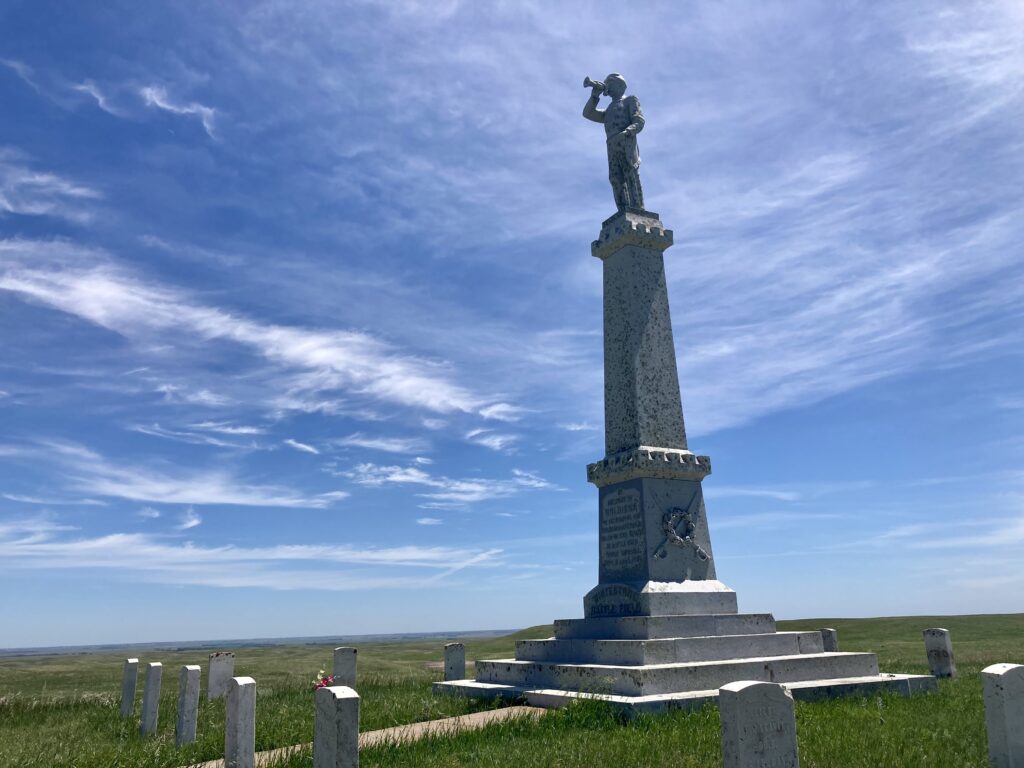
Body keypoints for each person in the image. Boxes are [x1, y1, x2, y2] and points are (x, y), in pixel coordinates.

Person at [582, 73, 645, 211]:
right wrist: (595, 95)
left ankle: (638, 208)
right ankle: (623, 210)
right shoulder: (609, 109)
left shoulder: (630, 100)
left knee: (630, 173)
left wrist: (627, 132)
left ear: (620, 85)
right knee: (615, 178)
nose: (607, 86)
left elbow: (639, 121)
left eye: (609, 82)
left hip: (625, 141)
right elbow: (588, 114)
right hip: (611, 145)